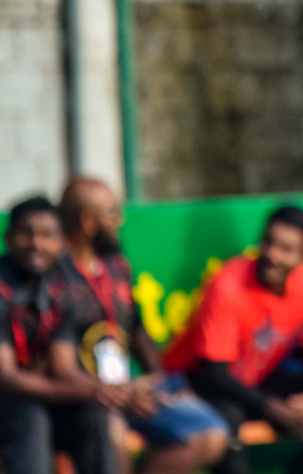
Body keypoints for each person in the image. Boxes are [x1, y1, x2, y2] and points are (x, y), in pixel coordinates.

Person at [0, 196, 123, 474]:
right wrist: (97, 389)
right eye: (25, 233)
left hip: (8, 403)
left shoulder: (60, 288)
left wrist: (109, 393)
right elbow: (5, 380)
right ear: (7, 238)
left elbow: (63, 370)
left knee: (91, 414)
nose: (36, 243)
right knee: (27, 417)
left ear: (62, 242)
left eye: (47, 235)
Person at [164, 206, 303, 474]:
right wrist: (276, 410)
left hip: (255, 381)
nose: (272, 255)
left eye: (286, 249)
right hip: (194, 382)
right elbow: (214, 373)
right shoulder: (228, 283)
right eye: (268, 242)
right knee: (227, 418)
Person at [57, 177, 229, 474]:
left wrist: (159, 379)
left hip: (129, 391)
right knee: (112, 437)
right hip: (83, 400)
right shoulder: (55, 276)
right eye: (111, 212)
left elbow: (135, 329)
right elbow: (54, 365)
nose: (120, 220)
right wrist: (113, 394)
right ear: (87, 221)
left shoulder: (117, 265)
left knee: (211, 434)